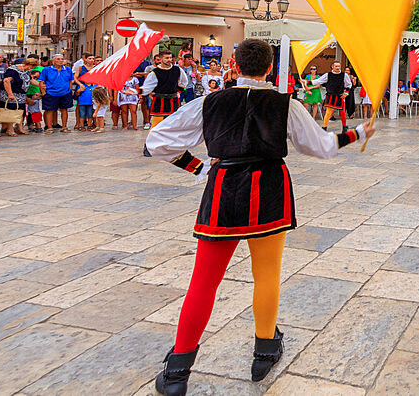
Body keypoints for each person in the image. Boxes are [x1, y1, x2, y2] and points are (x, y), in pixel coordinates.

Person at [145, 39, 374, 394]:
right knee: (266, 274)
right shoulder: (287, 104)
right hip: (268, 188)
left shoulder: (209, 102)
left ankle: (177, 371)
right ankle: (263, 351)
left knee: (204, 282)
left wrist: (199, 168)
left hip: (223, 189)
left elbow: (157, 141)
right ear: (270, 68)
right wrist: (357, 132)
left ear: (234, 66)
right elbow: (322, 147)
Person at [142, 50, 191, 129]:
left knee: (174, 125)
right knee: (156, 126)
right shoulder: (154, 72)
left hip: (173, 100)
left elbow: (184, 82)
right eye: (167, 58)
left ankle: (172, 141)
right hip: (159, 100)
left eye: (170, 58)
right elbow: (147, 87)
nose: (169, 60)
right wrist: (136, 91)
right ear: (161, 59)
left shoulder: (177, 70)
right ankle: (150, 141)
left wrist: (179, 91)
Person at [0, 56, 35, 136]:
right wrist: (10, 94)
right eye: (32, 67)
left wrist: (43, 85)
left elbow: (31, 80)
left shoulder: (26, 71)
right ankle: (10, 130)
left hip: (21, 95)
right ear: (29, 65)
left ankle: (20, 128)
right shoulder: (12, 70)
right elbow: (6, 81)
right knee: (10, 111)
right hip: (10, 93)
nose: (31, 69)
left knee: (20, 112)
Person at [39, 54, 75, 133]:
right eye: (58, 59)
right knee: (50, 110)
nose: (60, 61)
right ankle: (49, 127)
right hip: (51, 92)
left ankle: (64, 127)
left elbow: (70, 81)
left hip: (65, 92)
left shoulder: (68, 69)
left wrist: (69, 90)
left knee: (64, 110)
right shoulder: (47, 70)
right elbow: (41, 81)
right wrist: (43, 92)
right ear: (53, 61)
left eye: (62, 59)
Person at [312, 61, 351, 132]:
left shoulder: (344, 75)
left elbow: (349, 85)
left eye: (339, 66)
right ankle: (324, 127)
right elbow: (318, 81)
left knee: (342, 112)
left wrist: (346, 93)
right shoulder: (328, 75)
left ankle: (344, 127)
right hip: (331, 96)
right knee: (328, 113)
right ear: (332, 66)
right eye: (336, 66)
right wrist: (306, 82)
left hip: (340, 96)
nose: (338, 68)